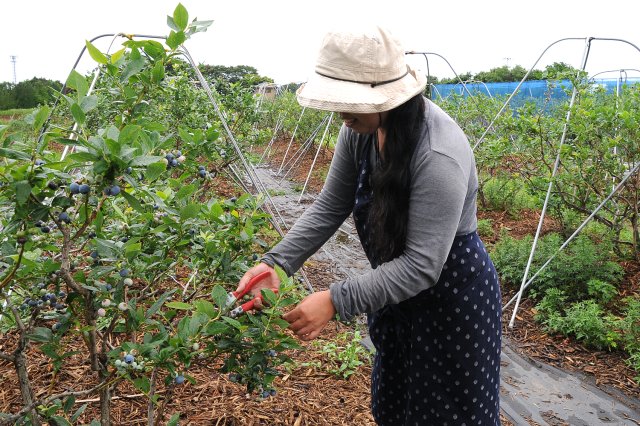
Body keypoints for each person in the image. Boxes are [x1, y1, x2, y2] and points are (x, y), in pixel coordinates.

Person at [235, 25, 502, 425]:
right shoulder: (361, 130)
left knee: (449, 415)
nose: (340, 113)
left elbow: (422, 266)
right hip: (395, 293)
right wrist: (277, 263)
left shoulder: (438, 154)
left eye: (350, 101)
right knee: (395, 407)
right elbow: (331, 205)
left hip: (451, 301)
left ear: (388, 96)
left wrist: (335, 299)